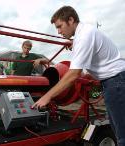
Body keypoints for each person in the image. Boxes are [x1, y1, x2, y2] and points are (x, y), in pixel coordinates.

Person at [32, 6, 125, 146]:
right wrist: (75, 43)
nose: (58, 31)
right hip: (115, 81)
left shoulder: (84, 36)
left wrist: (47, 96)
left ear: (71, 20)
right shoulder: (85, 33)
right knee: (119, 128)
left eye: (60, 26)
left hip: (115, 82)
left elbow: (74, 74)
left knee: (122, 134)